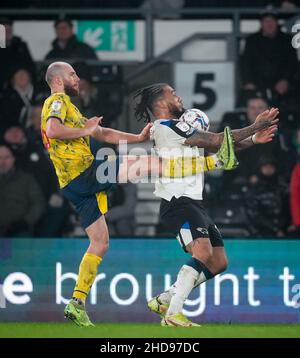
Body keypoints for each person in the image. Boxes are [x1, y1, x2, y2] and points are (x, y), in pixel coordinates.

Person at [41, 62, 237, 327]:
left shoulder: (71, 108)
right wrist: (85, 130)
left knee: (100, 242)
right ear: (58, 78)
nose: (77, 78)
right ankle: (216, 162)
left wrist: (136, 137)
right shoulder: (57, 101)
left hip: (73, 184)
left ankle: (77, 302)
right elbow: (53, 130)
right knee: (150, 165)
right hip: (84, 172)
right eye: (73, 74)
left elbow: (103, 132)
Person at [133, 83, 279, 327]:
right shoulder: (167, 127)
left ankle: (167, 298)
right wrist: (255, 125)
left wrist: (253, 138)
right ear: (160, 102)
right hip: (177, 201)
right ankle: (172, 314)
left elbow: (220, 144)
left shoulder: (179, 129)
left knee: (219, 262)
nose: (179, 97)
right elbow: (219, 138)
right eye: (173, 94)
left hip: (193, 203)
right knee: (202, 253)